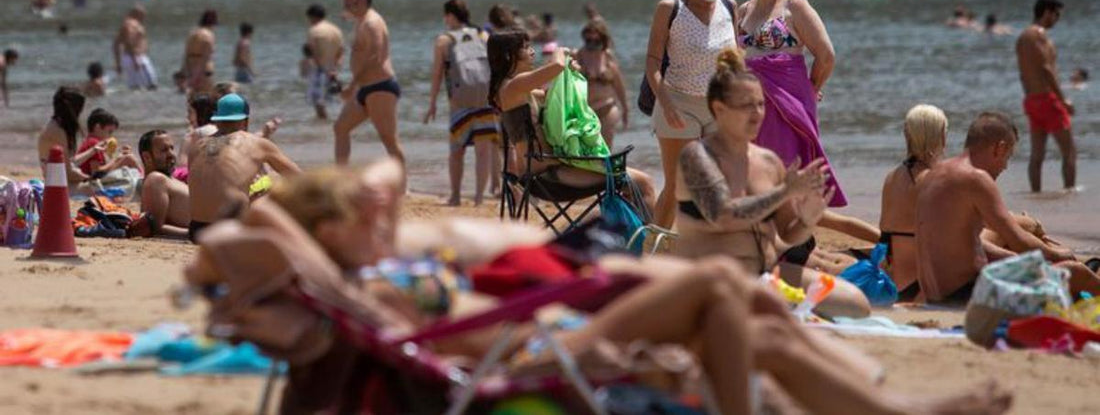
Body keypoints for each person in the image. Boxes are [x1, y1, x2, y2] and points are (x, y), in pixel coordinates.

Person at [186, 161, 1012, 415]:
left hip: (533, 341)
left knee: (756, 332)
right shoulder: (358, 281)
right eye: (352, 214)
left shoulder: (363, 275)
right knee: (721, 297)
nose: (379, 213)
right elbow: (225, 240)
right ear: (322, 231)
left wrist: (333, 232)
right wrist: (309, 233)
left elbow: (373, 186)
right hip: (523, 357)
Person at [675, 48, 870, 318]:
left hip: (765, 272)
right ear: (719, 109)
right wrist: (785, 192)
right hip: (711, 276)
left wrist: (807, 220)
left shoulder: (768, 161)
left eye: (761, 104)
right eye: (746, 106)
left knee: (856, 304)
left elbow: (788, 235)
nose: (757, 114)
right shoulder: (697, 156)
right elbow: (723, 215)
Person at [915, 112, 1100, 303]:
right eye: (1008, 157)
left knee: (1048, 270)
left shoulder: (934, 174)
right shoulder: (976, 179)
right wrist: (1059, 254)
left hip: (934, 296)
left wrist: (1019, 259)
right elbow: (1020, 241)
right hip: (966, 296)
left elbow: (961, 244)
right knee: (1075, 272)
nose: (1005, 167)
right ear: (999, 148)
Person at [489, 29, 658, 212]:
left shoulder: (516, 89)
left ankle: (631, 236)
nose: (532, 51)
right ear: (509, 55)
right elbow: (557, 66)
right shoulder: (514, 85)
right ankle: (648, 239)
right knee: (644, 183)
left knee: (635, 184)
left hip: (552, 169)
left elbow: (552, 96)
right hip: (547, 176)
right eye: (525, 47)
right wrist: (560, 52)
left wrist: (567, 75)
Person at [736, 0, 846, 208]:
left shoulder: (795, 4)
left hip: (789, 100)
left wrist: (812, 87)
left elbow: (826, 55)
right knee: (757, 169)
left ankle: (793, 238)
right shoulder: (743, 11)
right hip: (753, 102)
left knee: (788, 167)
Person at [644, 0, 737, 228]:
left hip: (718, 105)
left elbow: (736, 59)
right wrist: (667, 102)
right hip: (678, 101)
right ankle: (653, 248)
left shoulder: (729, 6)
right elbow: (652, 63)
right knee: (677, 185)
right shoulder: (670, 8)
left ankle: (706, 245)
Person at [187, 94, 301, 243]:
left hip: (197, 231)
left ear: (217, 120)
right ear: (246, 120)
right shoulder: (257, 143)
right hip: (231, 230)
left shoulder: (197, 146)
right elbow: (299, 177)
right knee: (274, 178)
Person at [424, 0, 498, 206]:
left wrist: (432, 103)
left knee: (457, 151)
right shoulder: (483, 35)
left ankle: (456, 196)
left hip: (460, 103)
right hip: (485, 100)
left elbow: (437, 75)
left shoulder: (444, 41)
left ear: (449, 16)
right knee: (483, 151)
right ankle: (479, 198)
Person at [879, 104, 947, 301]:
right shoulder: (935, 180)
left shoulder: (891, 177)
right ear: (942, 136)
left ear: (906, 135)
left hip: (896, 282)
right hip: (926, 285)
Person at [333, 0, 405, 170]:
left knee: (389, 139)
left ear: (362, 0)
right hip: (365, 88)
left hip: (380, 86)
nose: (345, 3)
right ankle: (341, 179)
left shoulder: (372, 22)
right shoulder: (361, 20)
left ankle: (403, 186)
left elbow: (376, 57)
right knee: (340, 127)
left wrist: (352, 85)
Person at [1015, 0, 1075, 192]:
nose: (1057, 19)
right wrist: (1063, 99)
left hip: (1031, 100)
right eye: (1056, 15)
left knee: (1037, 155)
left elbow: (1023, 75)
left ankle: (1035, 195)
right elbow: (1046, 69)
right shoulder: (1039, 35)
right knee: (1069, 152)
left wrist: (1031, 96)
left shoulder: (1022, 37)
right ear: (1047, 12)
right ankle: (1070, 192)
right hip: (1048, 100)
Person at [575, 20, 628, 148]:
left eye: (596, 41)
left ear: (602, 39)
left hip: (607, 108)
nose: (592, 44)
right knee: (587, 148)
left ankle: (606, 167)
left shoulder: (608, 57)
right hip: (586, 111)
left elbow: (619, 85)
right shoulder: (578, 56)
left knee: (606, 147)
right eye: (589, 41)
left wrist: (626, 109)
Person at [137, 129, 191, 237]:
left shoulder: (166, 180)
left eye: (172, 148)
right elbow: (155, 228)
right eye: (164, 150)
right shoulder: (156, 179)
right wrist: (195, 233)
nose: (172, 154)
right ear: (147, 157)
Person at [36, 87, 91, 188]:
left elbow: (69, 161)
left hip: (56, 180)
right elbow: (68, 173)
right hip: (57, 186)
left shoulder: (55, 125)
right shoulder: (58, 132)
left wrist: (93, 151)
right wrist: (90, 178)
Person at [305, 4, 345, 120]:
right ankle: (325, 125)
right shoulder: (336, 30)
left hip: (320, 69)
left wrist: (319, 66)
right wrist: (335, 68)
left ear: (312, 17)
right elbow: (341, 50)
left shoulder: (314, 30)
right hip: (333, 69)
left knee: (318, 101)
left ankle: (322, 124)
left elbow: (313, 51)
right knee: (328, 100)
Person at [75, 108, 142, 178]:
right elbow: (96, 171)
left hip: (93, 177)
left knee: (125, 158)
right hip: (92, 180)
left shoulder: (90, 141)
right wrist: (116, 160)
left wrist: (117, 158)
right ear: (97, 127)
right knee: (128, 158)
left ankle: (142, 178)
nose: (110, 136)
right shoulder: (93, 143)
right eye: (109, 132)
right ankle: (143, 179)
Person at [113, 5, 158, 90]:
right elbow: (129, 40)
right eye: (143, 15)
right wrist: (134, 58)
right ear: (138, 14)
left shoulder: (126, 24)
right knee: (152, 86)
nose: (144, 18)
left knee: (135, 88)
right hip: (137, 58)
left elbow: (115, 45)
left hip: (131, 58)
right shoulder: (132, 24)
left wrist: (118, 63)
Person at [182, 9, 218, 95]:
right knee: (207, 99)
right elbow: (205, 58)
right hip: (204, 71)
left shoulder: (192, 33)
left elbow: (186, 55)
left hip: (190, 68)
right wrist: (196, 76)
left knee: (194, 101)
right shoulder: (209, 36)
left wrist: (185, 73)